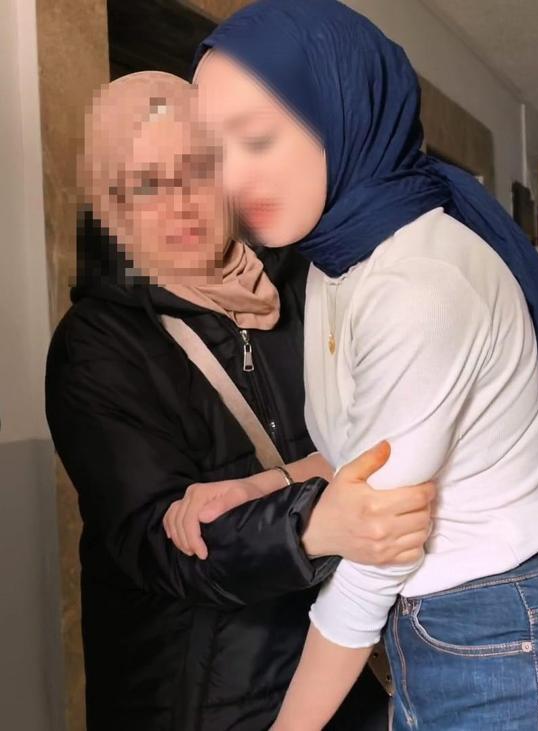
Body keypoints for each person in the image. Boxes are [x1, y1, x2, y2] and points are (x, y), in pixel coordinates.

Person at [169, 2, 538, 729]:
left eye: (256, 139)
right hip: (447, 632)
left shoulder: (419, 282)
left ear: (341, 115)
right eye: (213, 151)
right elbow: (364, 458)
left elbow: (376, 546)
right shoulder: (336, 262)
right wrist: (256, 485)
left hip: (508, 641)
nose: (230, 178)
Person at [45, 71, 435, 731]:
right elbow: (159, 541)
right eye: (147, 184)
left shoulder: (305, 291)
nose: (182, 205)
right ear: (110, 204)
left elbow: (375, 438)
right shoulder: (98, 343)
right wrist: (313, 526)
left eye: (198, 169)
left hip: (339, 673)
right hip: (197, 701)